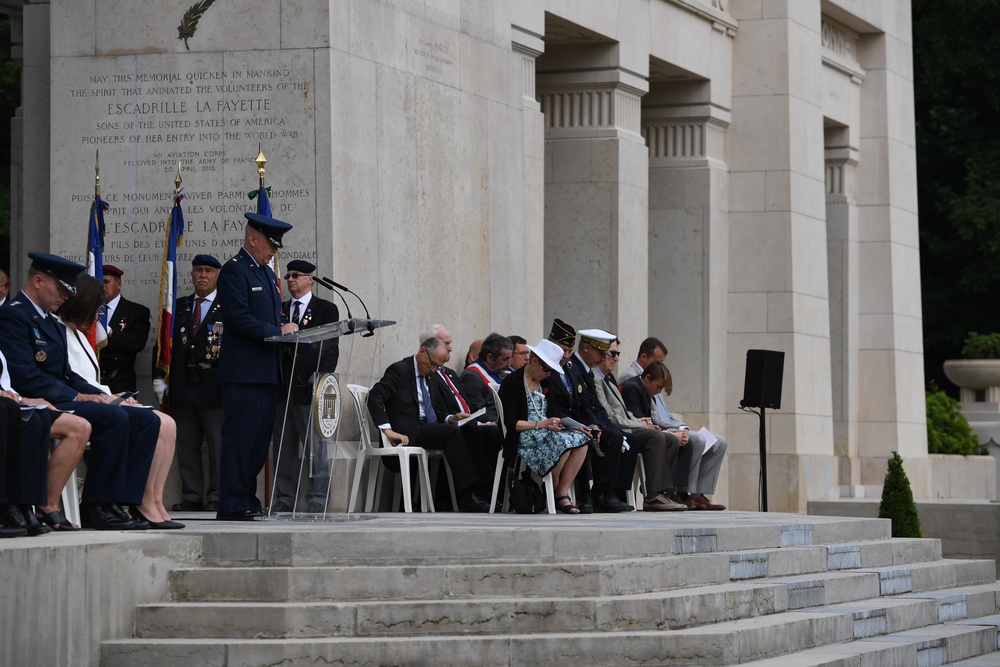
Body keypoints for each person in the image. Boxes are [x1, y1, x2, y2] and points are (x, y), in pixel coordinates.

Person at [0, 252, 160, 530]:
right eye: (62, 289)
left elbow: (68, 374)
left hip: (59, 397)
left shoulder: (50, 321)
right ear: (38, 281)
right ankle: (97, 504)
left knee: (145, 421)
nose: (66, 296)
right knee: (113, 419)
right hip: (42, 401)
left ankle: (119, 502)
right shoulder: (13, 315)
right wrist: (77, 396)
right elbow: (24, 376)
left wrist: (105, 396)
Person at [59, 273, 183, 529]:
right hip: (68, 402)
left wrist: (114, 396)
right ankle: (115, 501)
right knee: (133, 419)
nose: (97, 318)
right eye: (95, 310)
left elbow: (85, 378)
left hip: (94, 396)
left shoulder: (79, 335)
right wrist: (106, 397)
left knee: (166, 423)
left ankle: (150, 498)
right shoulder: (59, 332)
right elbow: (69, 379)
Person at [216, 213, 299, 520]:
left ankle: (247, 499)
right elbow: (238, 319)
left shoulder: (264, 273)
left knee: (258, 443)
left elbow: (268, 316)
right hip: (244, 373)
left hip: (266, 372)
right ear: (253, 239)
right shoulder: (234, 272)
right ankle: (232, 503)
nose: (274, 251)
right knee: (240, 440)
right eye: (270, 244)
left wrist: (285, 326)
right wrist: (278, 331)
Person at [367, 335, 492, 512]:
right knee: (452, 433)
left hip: (427, 428)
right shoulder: (400, 370)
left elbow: (434, 411)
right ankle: (467, 495)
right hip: (408, 431)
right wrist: (387, 430)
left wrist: (451, 418)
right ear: (422, 352)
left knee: (469, 429)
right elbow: (375, 396)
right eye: (432, 364)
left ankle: (484, 491)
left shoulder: (431, 376)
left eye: (438, 366)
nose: (434, 370)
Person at [153, 254, 225, 512]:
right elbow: (163, 342)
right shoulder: (180, 306)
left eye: (208, 270)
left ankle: (217, 496)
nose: (202, 275)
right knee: (186, 444)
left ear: (218, 275)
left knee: (217, 446)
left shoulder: (226, 307)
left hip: (214, 388)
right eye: (197, 270)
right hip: (183, 386)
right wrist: (159, 375)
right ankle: (192, 495)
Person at [271, 259, 339, 513]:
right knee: (283, 448)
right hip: (282, 387)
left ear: (310, 279)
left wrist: (321, 380)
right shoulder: (280, 309)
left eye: (296, 275)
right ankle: (284, 498)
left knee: (315, 447)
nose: (291, 279)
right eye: (288, 276)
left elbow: (330, 348)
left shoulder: (325, 309)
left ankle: (318, 498)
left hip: (308, 385)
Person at [593, 339, 686, 511]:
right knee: (658, 436)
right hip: (619, 429)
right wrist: (641, 425)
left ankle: (667, 491)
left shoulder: (608, 377)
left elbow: (624, 412)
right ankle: (653, 495)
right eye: (612, 354)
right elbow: (609, 415)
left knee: (671, 440)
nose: (616, 359)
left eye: (618, 354)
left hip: (628, 425)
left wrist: (640, 423)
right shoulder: (600, 378)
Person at [621, 361, 728, 510]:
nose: (659, 391)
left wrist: (676, 430)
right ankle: (661, 493)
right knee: (673, 439)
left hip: (650, 431)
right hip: (633, 432)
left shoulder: (646, 390)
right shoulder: (631, 387)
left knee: (687, 439)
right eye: (658, 387)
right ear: (647, 378)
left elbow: (651, 421)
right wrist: (670, 432)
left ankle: (680, 492)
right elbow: (640, 422)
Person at [498, 339, 590, 513]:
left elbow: (553, 413)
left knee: (582, 439)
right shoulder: (512, 383)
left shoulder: (545, 383)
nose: (549, 375)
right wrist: (540, 424)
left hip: (545, 431)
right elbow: (510, 423)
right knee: (562, 442)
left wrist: (571, 425)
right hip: (523, 434)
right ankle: (554, 492)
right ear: (534, 361)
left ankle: (561, 492)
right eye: (547, 369)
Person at [424, 325, 504, 504]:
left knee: (494, 431)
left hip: (469, 421)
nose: (451, 347)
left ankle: (493, 490)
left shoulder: (450, 373)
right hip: (450, 425)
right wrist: (452, 418)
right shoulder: (428, 375)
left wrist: (483, 420)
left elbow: (468, 404)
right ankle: (475, 493)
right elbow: (433, 409)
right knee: (475, 432)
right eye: (446, 343)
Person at [99, 264, 151, 394]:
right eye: (98, 282)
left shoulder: (136, 311)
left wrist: (109, 332)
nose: (101, 286)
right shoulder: (87, 310)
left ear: (118, 283)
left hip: (119, 383)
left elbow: (137, 343)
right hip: (92, 383)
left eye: (106, 282)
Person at [460, 332, 512, 423]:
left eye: (510, 358)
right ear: (490, 358)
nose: (509, 364)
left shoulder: (500, 372)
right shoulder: (471, 377)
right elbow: (478, 413)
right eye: (505, 359)